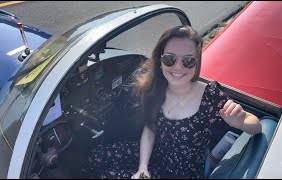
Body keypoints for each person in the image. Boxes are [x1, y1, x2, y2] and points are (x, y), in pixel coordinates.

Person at [82, 25, 262, 179]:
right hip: (154, 155)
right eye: (170, 59)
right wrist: (142, 167)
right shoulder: (156, 88)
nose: (178, 67)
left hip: (182, 173)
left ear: (196, 63)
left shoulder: (210, 97)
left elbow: (256, 126)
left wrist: (239, 121)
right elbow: (150, 128)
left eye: (188, 61)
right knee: (95, 157)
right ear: (160, 60)